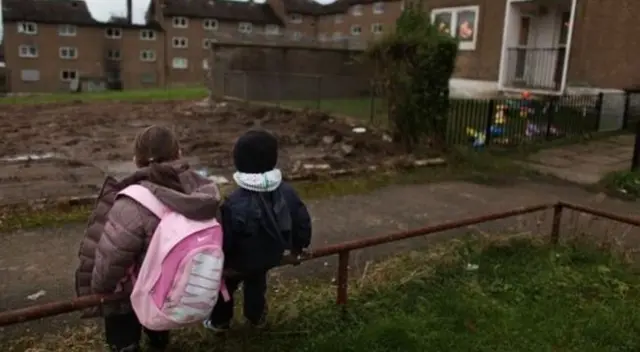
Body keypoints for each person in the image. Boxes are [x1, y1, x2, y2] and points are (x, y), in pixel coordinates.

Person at [74, 125, 221, 352]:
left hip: (132, 290)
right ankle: (158, 341)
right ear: (178, 153)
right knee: (158, 313)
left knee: (120, 319)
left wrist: (100, 287)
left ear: (136, 159)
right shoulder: (202, 192)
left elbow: (113, 256)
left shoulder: (132, 202)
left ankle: (126, 346)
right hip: (173, 284)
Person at [203, 128, 312, 332]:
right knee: (257, 286)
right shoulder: (287, 192)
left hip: (238, 261)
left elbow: (226, 238)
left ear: (239, 164)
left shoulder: (234, 203)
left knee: (226, 288)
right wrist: (299, 246)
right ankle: (257, 319)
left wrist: (222, 261)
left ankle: (220, 322)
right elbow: (302, 220)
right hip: (270, 255)